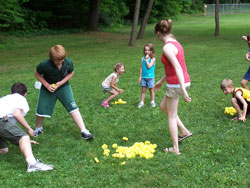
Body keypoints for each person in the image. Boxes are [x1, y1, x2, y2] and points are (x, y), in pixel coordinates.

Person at [34, 45, 93, 140]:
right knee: (41, 108)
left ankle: (84, 131)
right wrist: (46, 85)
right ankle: (38, 128)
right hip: (48, 88)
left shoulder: (68, 62)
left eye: (62, 59)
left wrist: (61, 83)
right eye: (58, 61)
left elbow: (71, 72)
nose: (61, 62)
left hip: (63, 87)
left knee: (72, 106)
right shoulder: (44, 65)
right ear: (52, 59)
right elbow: (37, 73)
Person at [154, 19, 192, 155]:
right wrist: (160, 81)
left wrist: (182, 89)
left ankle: (175, 149)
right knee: (163, 107)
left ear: (158, 33)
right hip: (177, 82)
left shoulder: (167, 47)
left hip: (177, 84)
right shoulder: (175, 43)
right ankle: (184, 131)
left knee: (171, 115)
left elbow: (177, 68)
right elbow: (172, 68)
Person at [0, 83, 54, 172]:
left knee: (3, 150)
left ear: (11, 92)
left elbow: (9, 129)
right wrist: (28, 129)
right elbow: (17, 114)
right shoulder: (20, 99)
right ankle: (32, 164)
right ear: (25, 94)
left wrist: (24, 142)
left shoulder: (5, 99)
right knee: (24, 137)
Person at [138, 43, 156, 108]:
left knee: (151, 90)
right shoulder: (142, 59)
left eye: (148, 50)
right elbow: (141, 68)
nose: (147, 52)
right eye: (145, 50)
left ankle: (152, 102)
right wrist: (140, 76)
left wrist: (146, 60)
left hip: (150, 77)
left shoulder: (153, 59)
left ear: (152, 51)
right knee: (143, 90)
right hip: (143, 77)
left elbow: (149, 66)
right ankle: (141, 102)